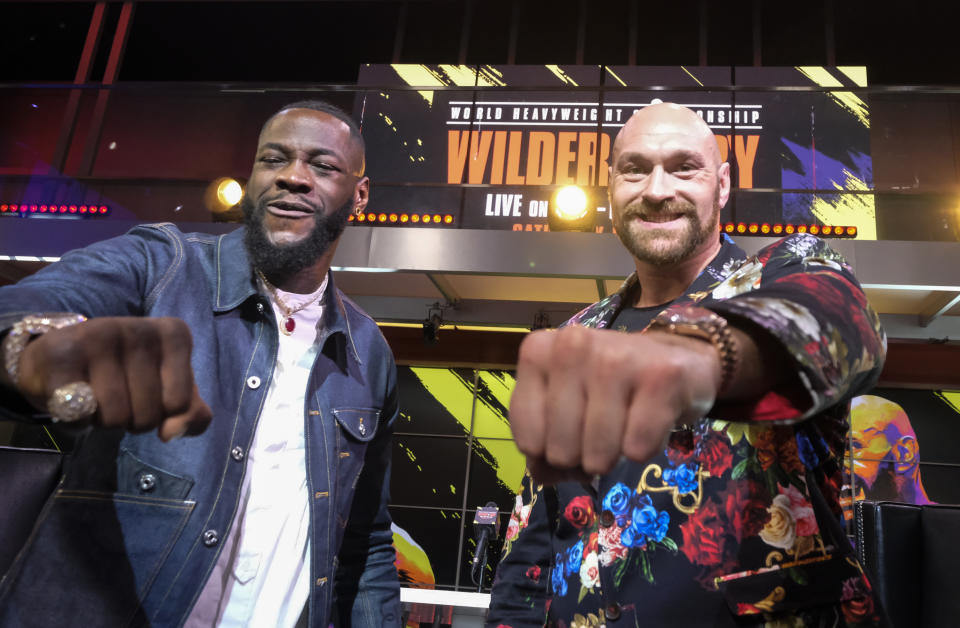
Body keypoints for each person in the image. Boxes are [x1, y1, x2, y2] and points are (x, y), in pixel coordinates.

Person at [0, 101, 400, 627]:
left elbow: (363, 543)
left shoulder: (368, 351)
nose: (293, 178)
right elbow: (29, 306)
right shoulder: (161, 265)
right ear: (252, 176)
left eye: (322, 166)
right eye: (273, 159)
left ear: (360, 194)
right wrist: (35, 349)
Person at [487, 103, 888, 627]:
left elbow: (840, 327)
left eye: (683, 167)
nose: (656, 189)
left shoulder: (784, 271)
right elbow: (532, 547)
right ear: (610, 188)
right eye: (635, 169)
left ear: (721, 185)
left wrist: (704, 357)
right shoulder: (578, 335)